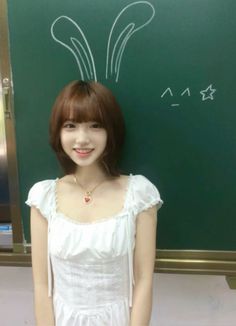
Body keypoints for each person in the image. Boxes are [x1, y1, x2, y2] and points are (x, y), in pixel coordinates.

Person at [26, 80, 163, 326]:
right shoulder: (43, 197)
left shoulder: (140, 194)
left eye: (95, 125)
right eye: (70, 125)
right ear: (58, 132)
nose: (82, 139)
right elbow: (41, 284)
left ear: (111, 130)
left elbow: (144, 280)